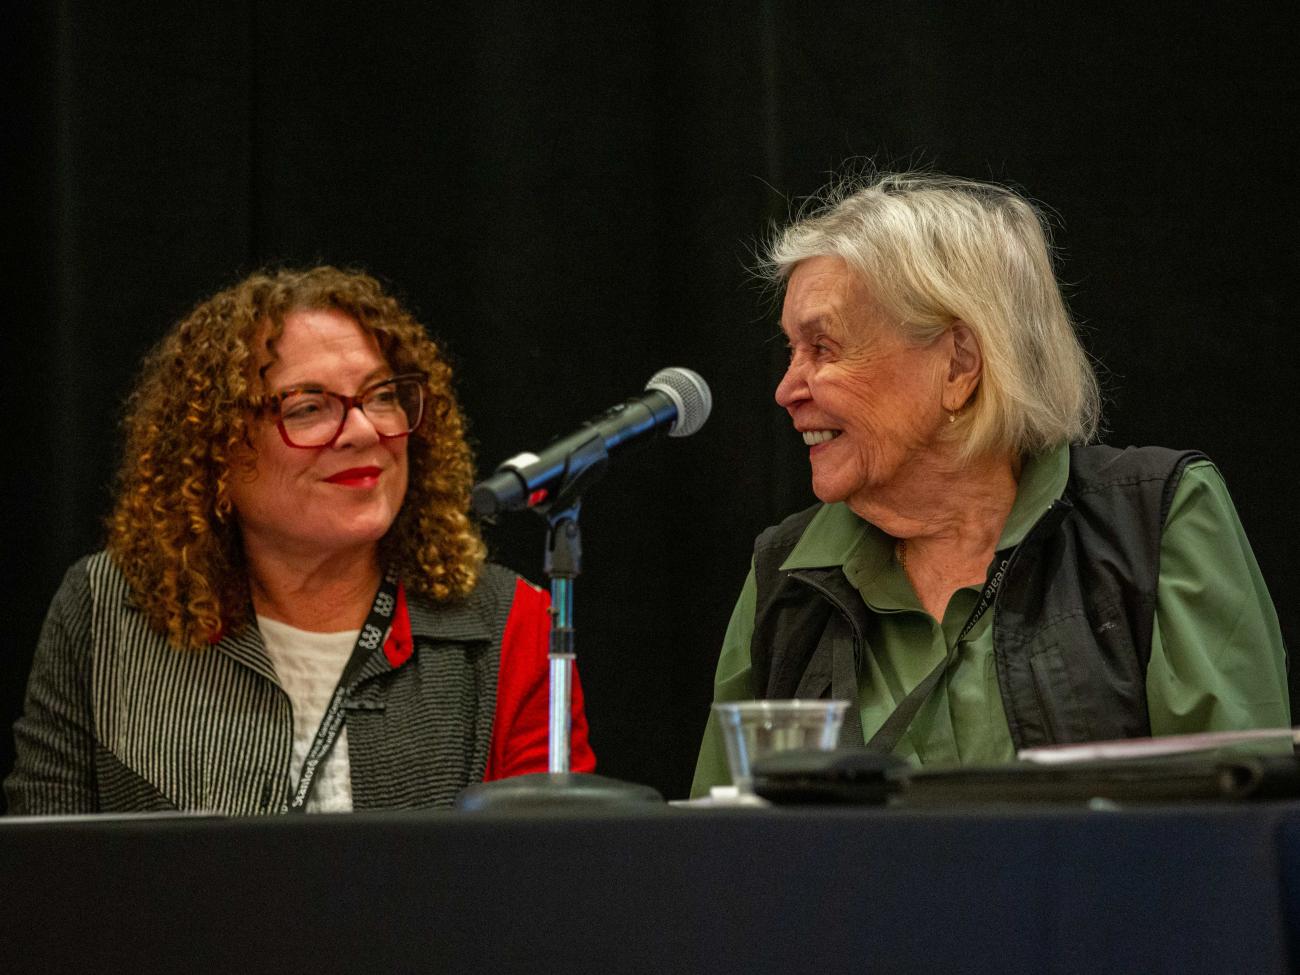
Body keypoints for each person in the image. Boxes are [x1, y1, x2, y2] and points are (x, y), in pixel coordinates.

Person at [693, 172, 1289, 795]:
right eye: (791, 350)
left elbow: (1240, 831)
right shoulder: (786, 579)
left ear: (959, 363)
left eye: (823, 347)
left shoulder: (1153, 521)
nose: (787, 390)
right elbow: (717, 855)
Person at [6, 266, 594, 815]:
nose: (365, 431)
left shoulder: (509, 625)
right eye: (309, 407)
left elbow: (548, 886)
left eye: (383, 396)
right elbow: (45, 875)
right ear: (217, 449)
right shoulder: (105, 610)